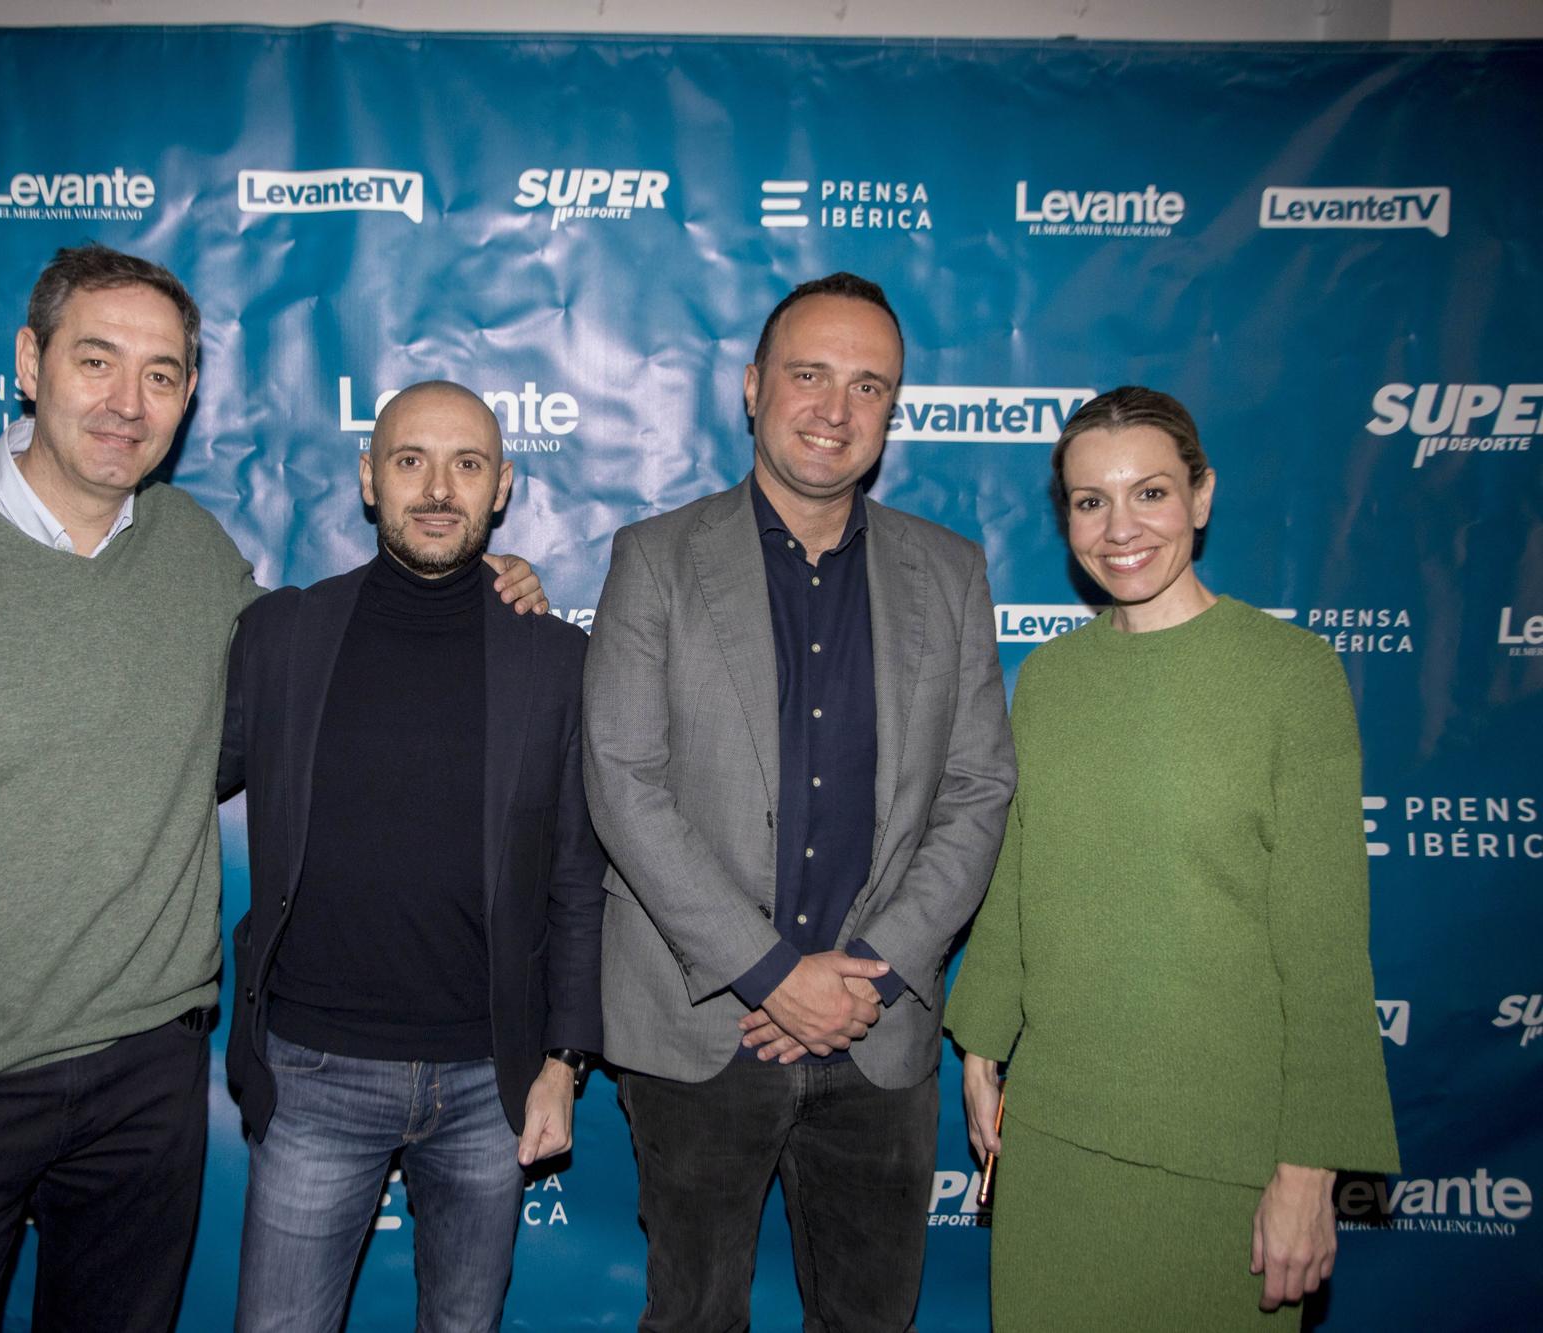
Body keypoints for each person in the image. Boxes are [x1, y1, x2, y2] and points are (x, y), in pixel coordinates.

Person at [0, 246, 544, 1333]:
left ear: (189, 396)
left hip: (146, 1082)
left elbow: (309, 712)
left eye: (160, 374)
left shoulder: (199, 558)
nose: (125, 401)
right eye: (96, 360)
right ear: (29, 360)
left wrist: (477, 592)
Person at [582, 272, 1016, 1331]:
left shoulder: (950, 572)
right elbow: (622, 783)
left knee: (869, 1318)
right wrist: (772, 974)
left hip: (878, 1030)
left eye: (868, 386)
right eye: (808, 375)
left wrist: (858, 976)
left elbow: (975, 788)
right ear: (749, 386)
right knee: (694, 1316)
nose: (834, 409)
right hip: (703, 1028)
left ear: (891, 410)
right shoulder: (656, 558)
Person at [945, 385, 1399, 1329]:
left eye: (1149, 493)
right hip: (1057, 1145)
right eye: (1089, 500)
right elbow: (1019, 881)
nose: (1119, 529)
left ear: (1202, 496)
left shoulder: (1292, 675)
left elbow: (1324, 948)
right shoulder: (1053, 680)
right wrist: (980, 1040)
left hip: (1227, 1162)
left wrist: (1308, 1172)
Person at [220, 381, 605, 1333]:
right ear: (368, 479)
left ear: (502, 487)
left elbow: (576, 875)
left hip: (490, 1078)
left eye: (467, 465)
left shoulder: (555, 658)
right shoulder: (283, 633)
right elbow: (165, 785)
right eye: (410, 461)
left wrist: (565, 1058)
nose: (438, 489)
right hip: (312, 1071)